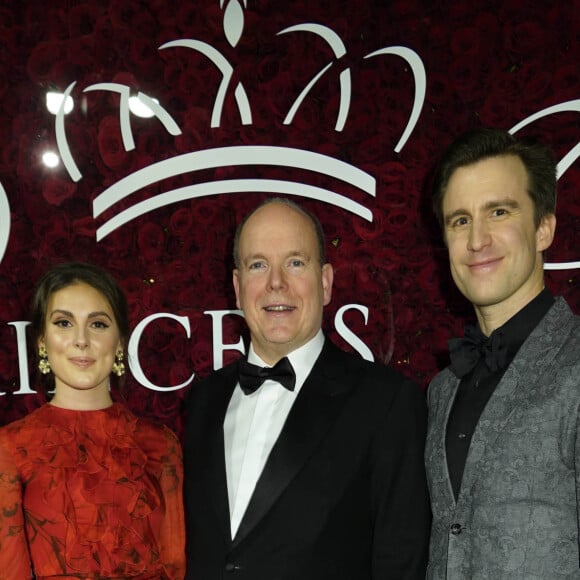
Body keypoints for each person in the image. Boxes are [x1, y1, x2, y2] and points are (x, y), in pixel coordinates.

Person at [183, 197, 431, 579]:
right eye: (258, 265)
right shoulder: (203, 402)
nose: (276, 283)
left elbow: (401, 563)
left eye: (295, 263)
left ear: (326, 282)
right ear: (237, 286)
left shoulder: (386, 402)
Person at [425, 128, 580, 578]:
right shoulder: (442, 388)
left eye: (498, 212)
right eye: (459, 220)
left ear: (544, 227)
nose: (477, 240)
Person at [0, 262, 186, 579]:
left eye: (98, 324)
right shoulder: (11, 448)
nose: (81, 340)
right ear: (42, 342)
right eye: (63, 323)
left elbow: (175, 565)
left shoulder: (159, 444)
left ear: (119, 342)